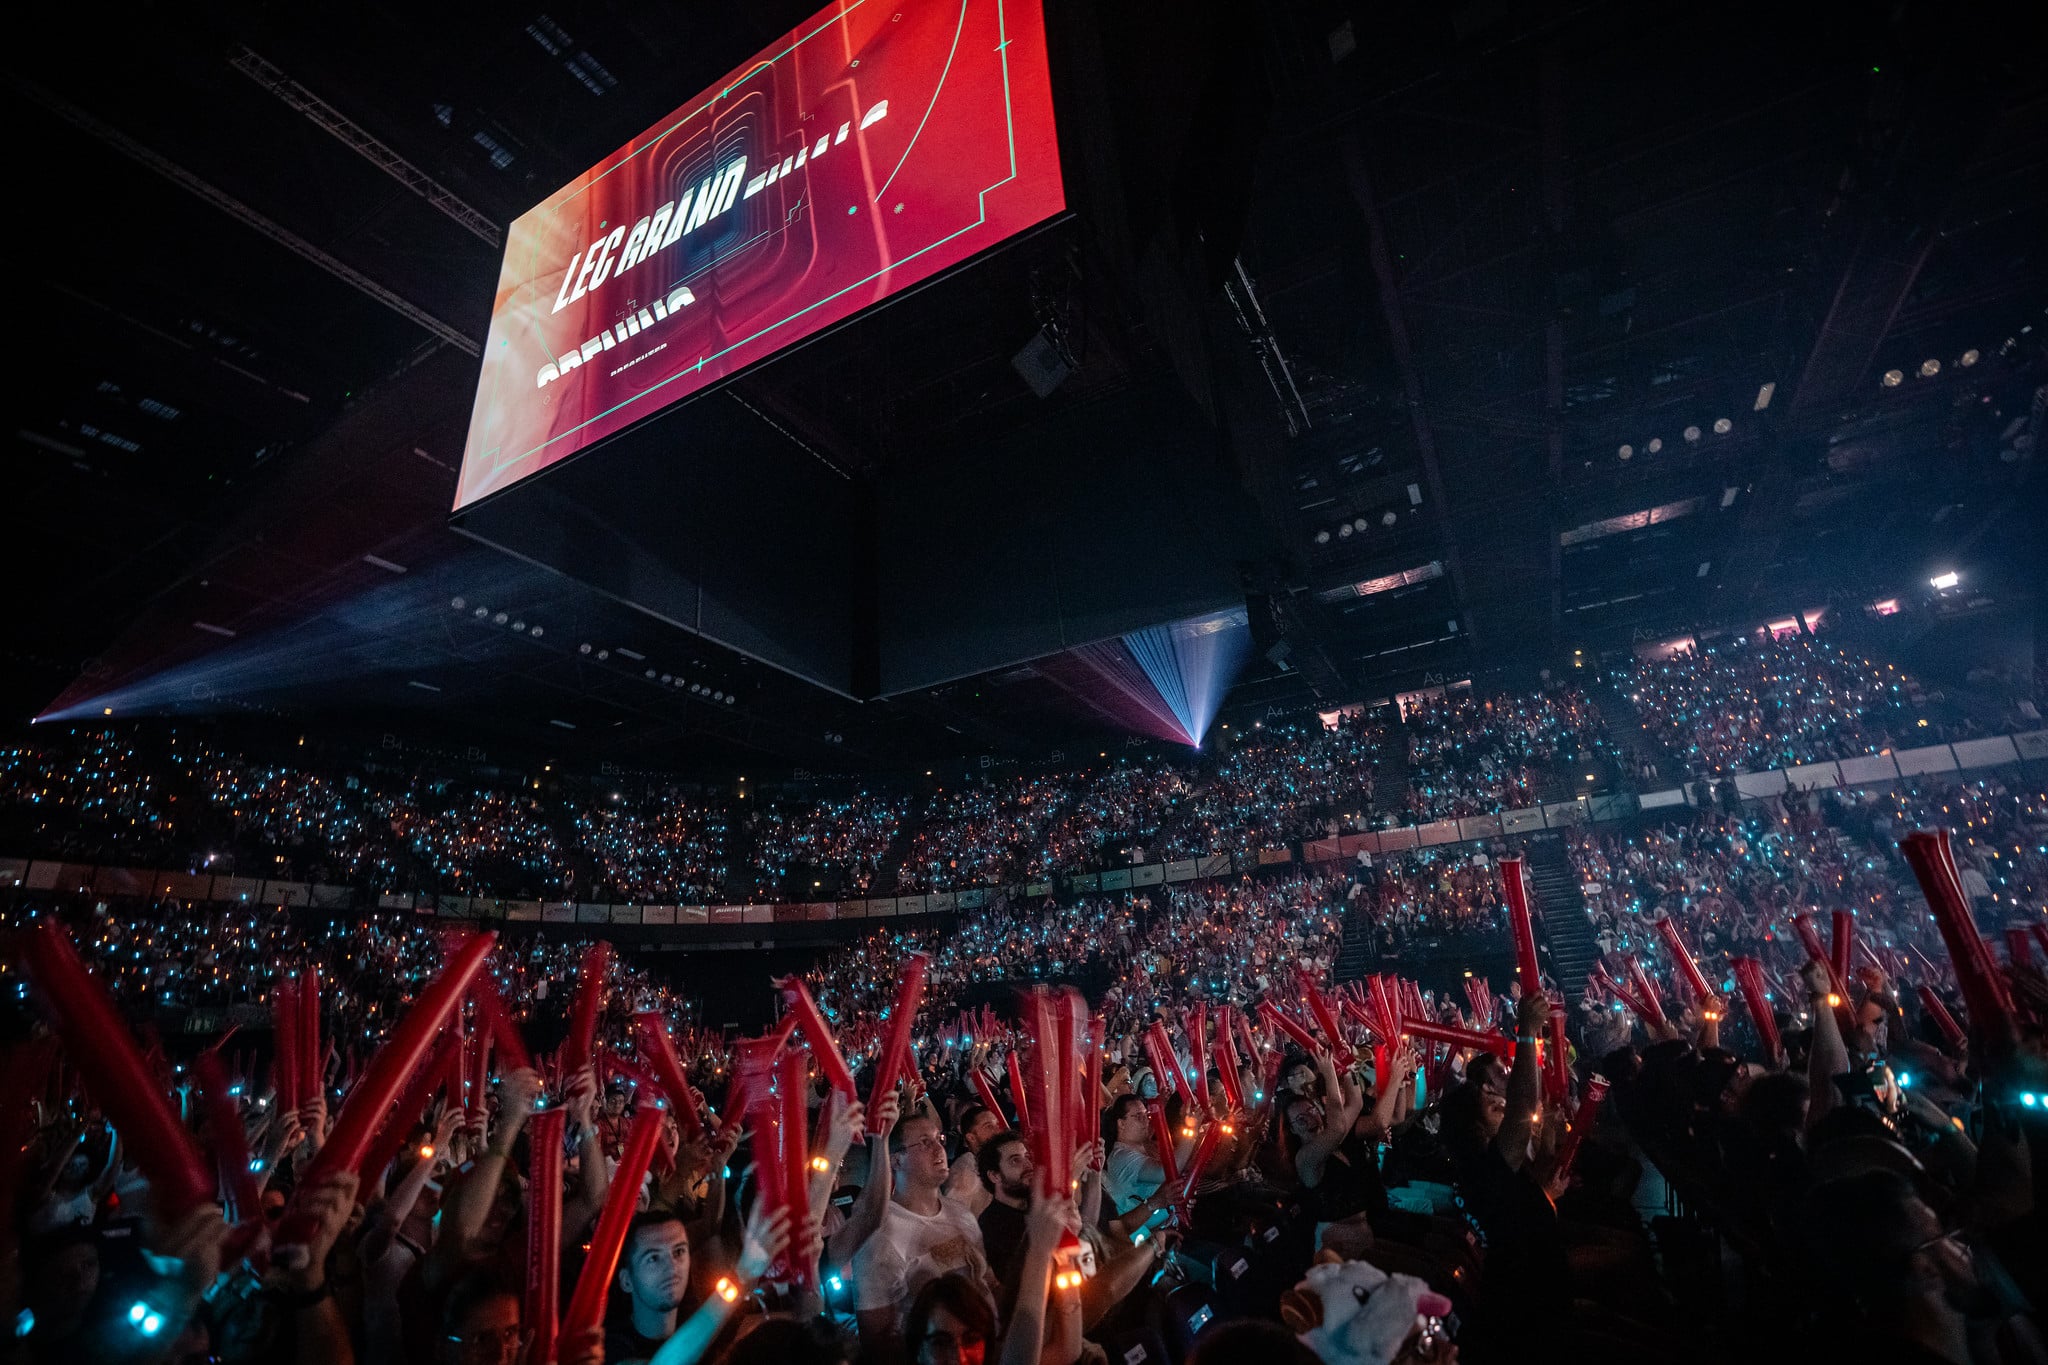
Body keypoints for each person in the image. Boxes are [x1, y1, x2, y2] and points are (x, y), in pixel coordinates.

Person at [850, 1107, 995, 1359]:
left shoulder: (960, 1213)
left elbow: (986, 1282)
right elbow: (876, 1340)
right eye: (925, 1143)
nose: (939, 1149)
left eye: (939, 1139)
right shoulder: (879, 1235)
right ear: (896, 1161)